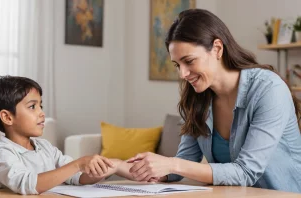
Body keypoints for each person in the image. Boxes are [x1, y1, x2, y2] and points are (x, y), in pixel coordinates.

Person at [127, 9, 301, 193]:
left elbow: (246, 172)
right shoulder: (197, 98)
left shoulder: (268, 89)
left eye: (189, 61)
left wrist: (172, 164)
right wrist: (117, 166)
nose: (182, 74)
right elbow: (183, 163)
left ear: (217, 49)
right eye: (178, 65)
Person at [0, 76, 133, 195]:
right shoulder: (2, 153)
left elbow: (77, 177)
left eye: (41, 105)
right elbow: (28, 185)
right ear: (7, 117)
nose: (41, 113)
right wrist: (78, 164)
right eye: (32, 106)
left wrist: (103, 169)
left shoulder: (45, 148)